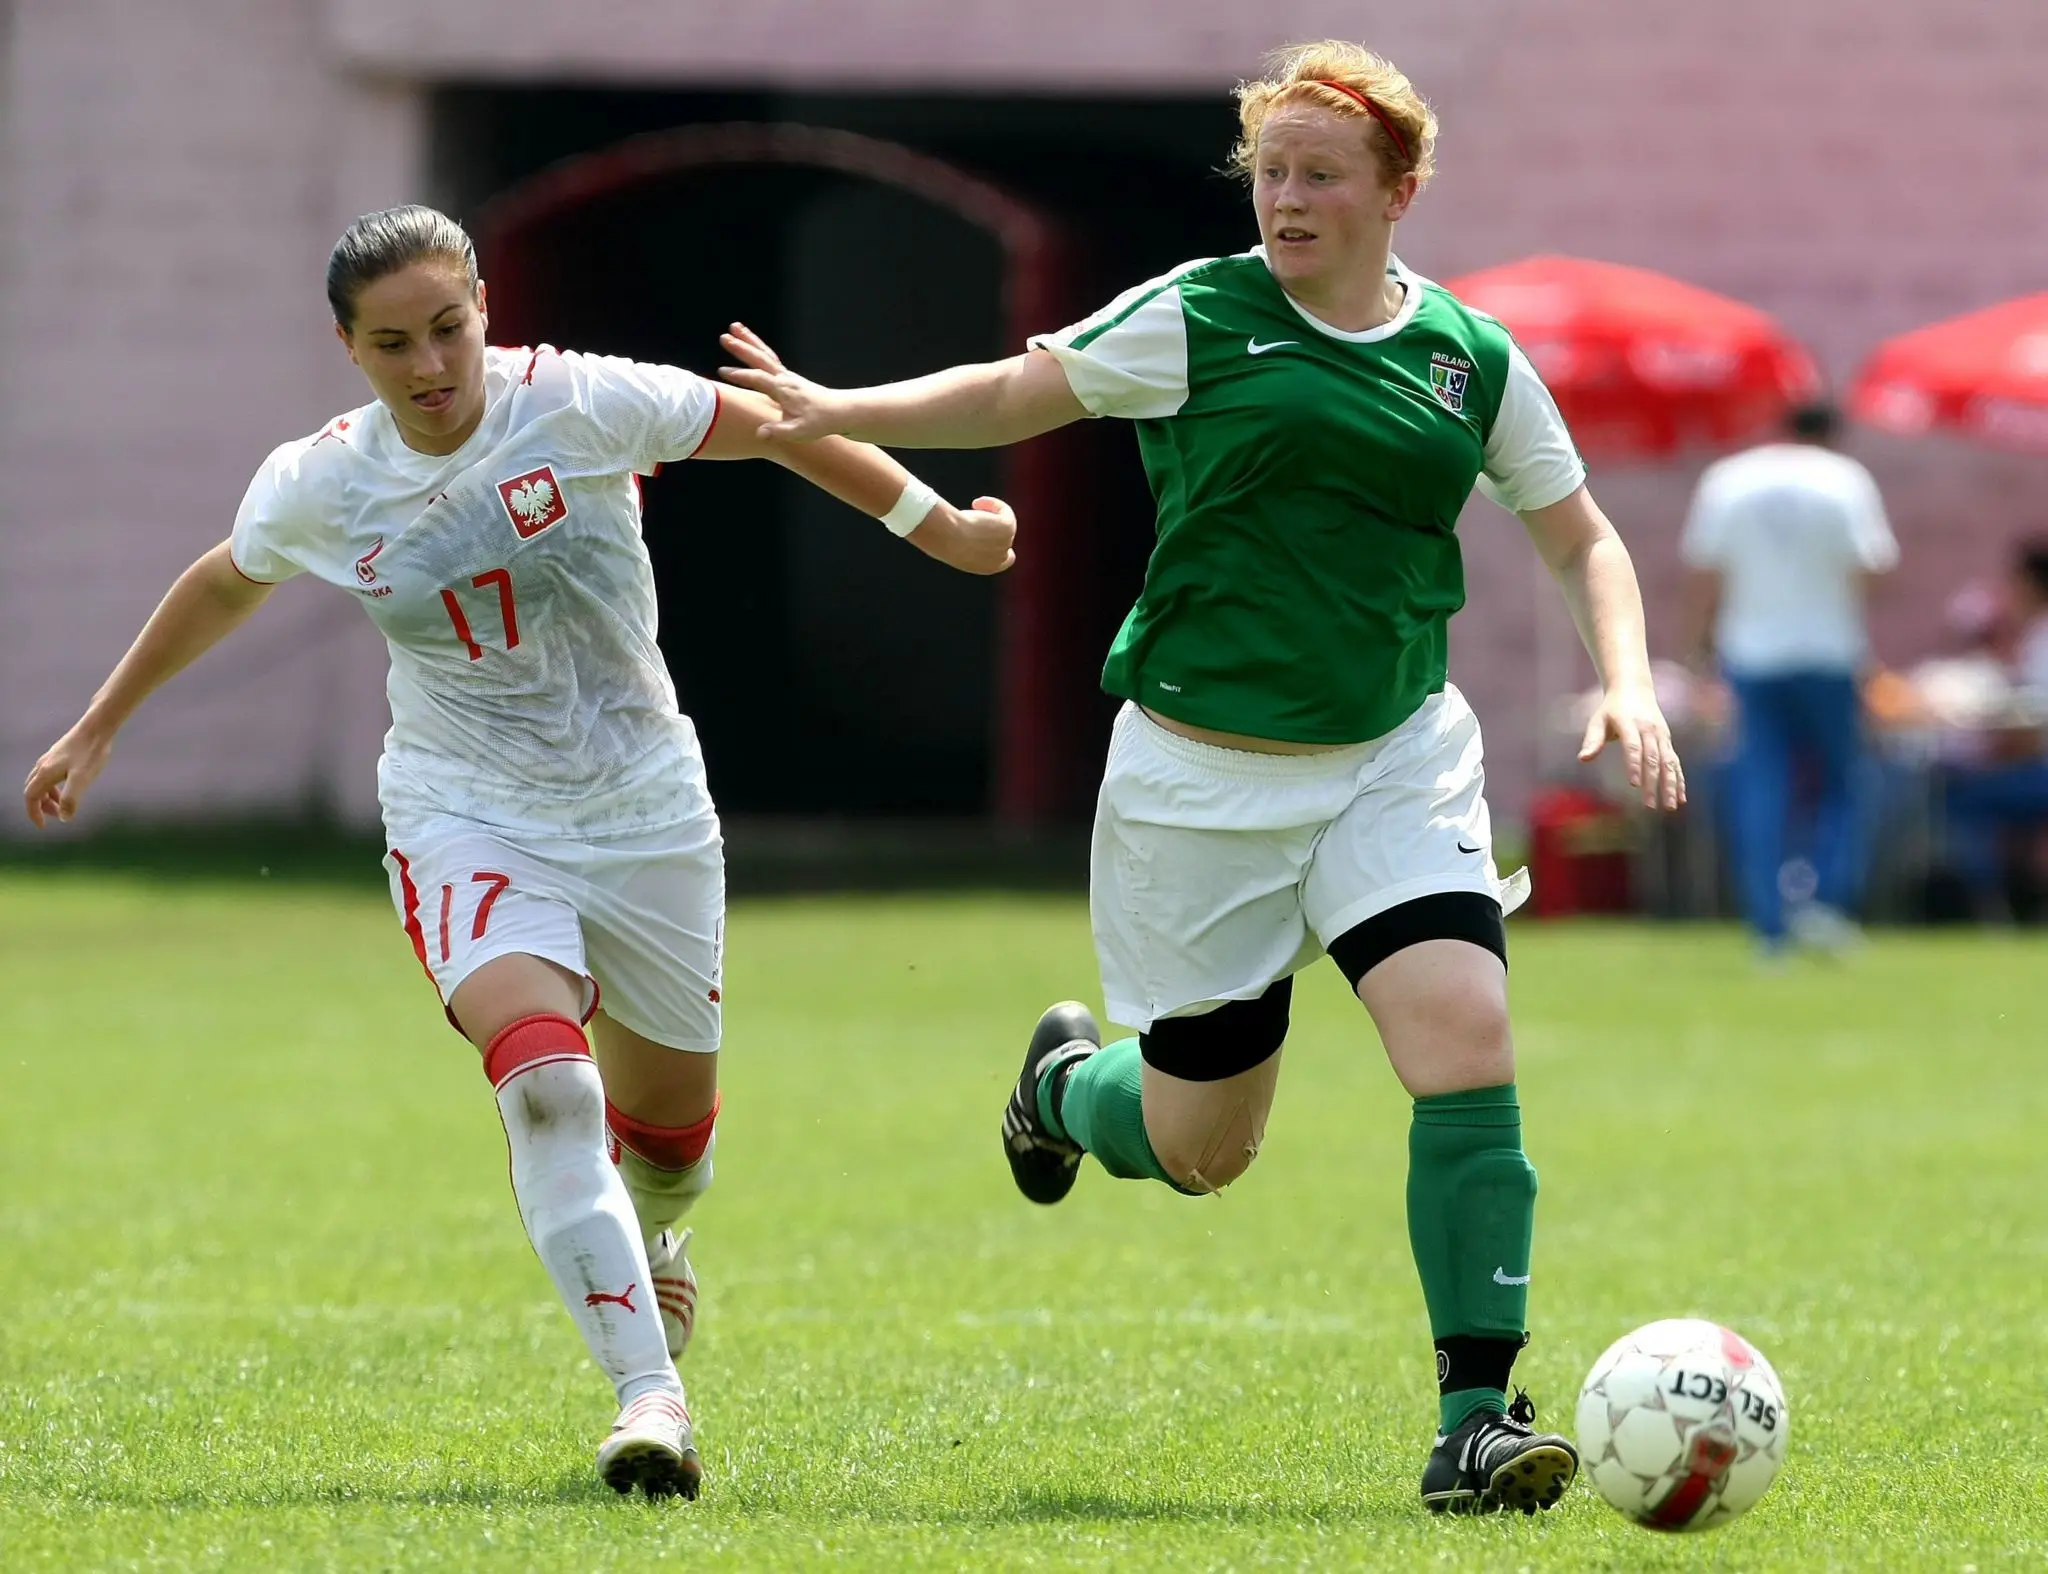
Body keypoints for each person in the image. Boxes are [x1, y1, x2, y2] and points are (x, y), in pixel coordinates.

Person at [720, 41, 1684, 1516]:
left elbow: (1579, 534)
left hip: (1395, 762)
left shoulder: (1468, 359)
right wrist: (838, 408)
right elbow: (1014, 389)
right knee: (1198, 1144)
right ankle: (1065, 1085)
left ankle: (1477, 1421)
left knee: (1466, 1030)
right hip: (1199, 784)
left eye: (1318, 176)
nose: (1285, 202)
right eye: (1271, 174)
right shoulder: (1200, 314)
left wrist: (1623, 679)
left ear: (1398, 192)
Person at [20, 205, 1017, 1500]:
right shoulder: (322, 478)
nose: (432, 366)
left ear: (485, 304)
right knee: (550, 1087)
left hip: (645, 803)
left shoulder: (579, 402)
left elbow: (778, 427)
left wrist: (943, 528)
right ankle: (647, 1394)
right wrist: (99, 729)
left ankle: (657, 1227)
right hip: (465, 809)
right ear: (349, 348)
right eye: (394, 344)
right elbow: (229, 572)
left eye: (449, 328)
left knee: (673, 1142)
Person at [1679, 402, 1898, 954]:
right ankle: (1824, 899)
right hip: (1828, 651)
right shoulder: (1845, 480)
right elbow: (1870, 568)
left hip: (1751, 654)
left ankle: (1769, 923)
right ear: (1831, 433)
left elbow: (1706, 574)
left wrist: (1697, 650)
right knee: (1842, 782)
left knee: (1762, 784)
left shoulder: (1729, 479)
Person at [1938, 539, 2048, 915]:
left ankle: (1988, 903)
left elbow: (2033, 732)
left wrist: (1990, 756)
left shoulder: (2041, 642)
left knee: (1961, 798)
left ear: (2033, 584)